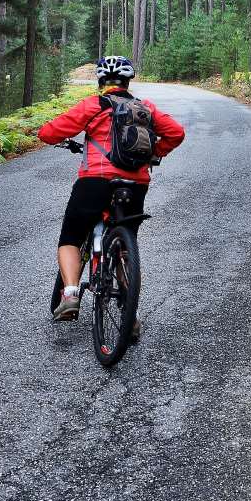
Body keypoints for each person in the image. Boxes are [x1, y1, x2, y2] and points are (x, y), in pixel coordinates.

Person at [38, 56, 186, 321]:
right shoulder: (145, 108)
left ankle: (71, 294)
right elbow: (176, 132)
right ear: (128, 81)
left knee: (71, 236)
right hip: (136, 183)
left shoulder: (94, 105)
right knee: (126, 242)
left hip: (95, 180)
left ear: (101, 81)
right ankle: (130, 313)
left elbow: (49, 133)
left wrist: (49, 133)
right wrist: (154, 153)